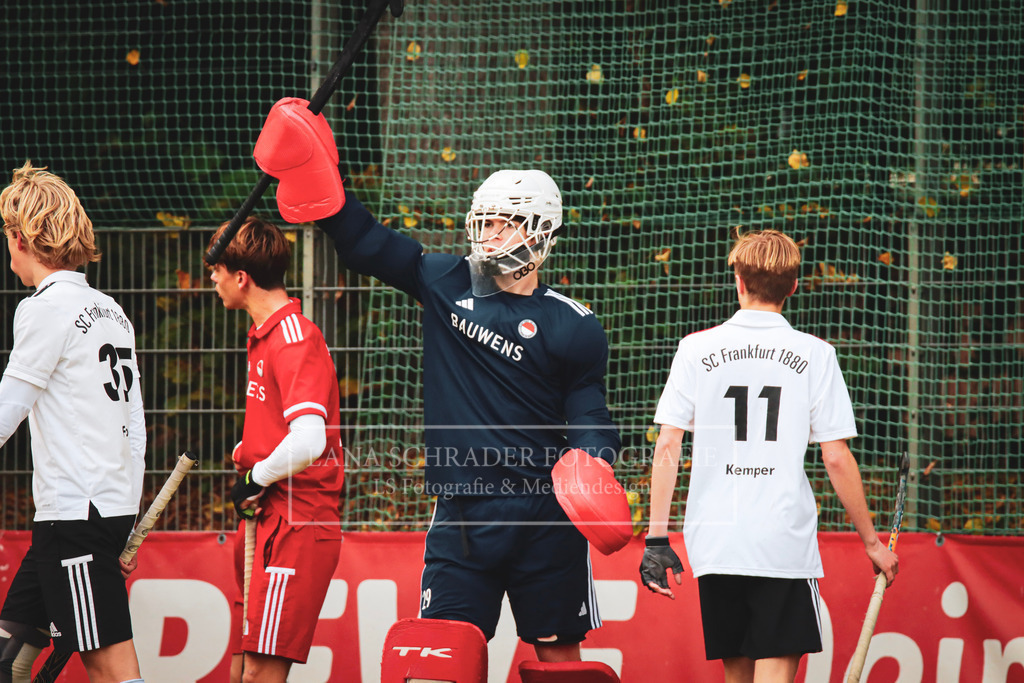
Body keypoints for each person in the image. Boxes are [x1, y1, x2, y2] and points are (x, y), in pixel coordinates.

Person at [251, 98, 621, 663]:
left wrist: (594, 461)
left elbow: (589, 411)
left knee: (560, 663)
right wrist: (318, 179)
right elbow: (366, 244)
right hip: (463, 512)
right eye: (485, 220)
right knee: (441, 659)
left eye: (503, 223)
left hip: (545, 514)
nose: (487, 233)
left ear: (539, 231)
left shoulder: (575, 325)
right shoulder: (446, 279)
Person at [639, 229, 899, 683]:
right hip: (781, 544)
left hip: (717, 544)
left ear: (737, 280)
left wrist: (656, 541)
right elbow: (836, 457)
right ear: (794, 286)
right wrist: (872, 543)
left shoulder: (695, 349)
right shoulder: (817, 355)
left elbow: (667, 445)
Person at [0, 162, 146, 683]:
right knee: (10, 655)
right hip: (89, 515)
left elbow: (8, 407)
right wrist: (126, 517)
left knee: (111, 670)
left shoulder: (42, 307)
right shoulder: (110, 309)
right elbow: (135, 422)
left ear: (19, 238)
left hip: (74, 520)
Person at [207, 216, 344, 683]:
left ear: (241, 277)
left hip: (296, 524)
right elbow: (278, 430)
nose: (212, 278)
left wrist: (255, 476)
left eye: (217, 269)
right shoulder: (264, 335)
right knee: (243, 666)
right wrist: (250, 453)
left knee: (262, 674)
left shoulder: (294, 338)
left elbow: (309, 440)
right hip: (264, 520)